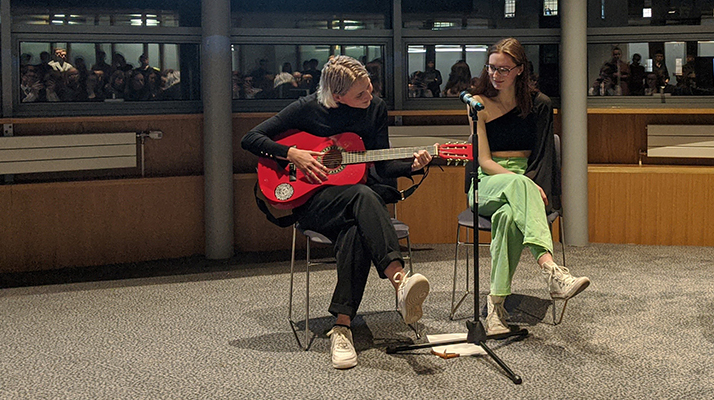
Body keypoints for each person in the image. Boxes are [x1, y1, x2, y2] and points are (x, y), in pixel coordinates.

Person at [240, 55, 433, 370]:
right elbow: (251, 139)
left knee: (356, 226)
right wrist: (293, 154)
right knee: (363, 195)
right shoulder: (307, 108)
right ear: (336, 95)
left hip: (357, 202)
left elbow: (382, 167)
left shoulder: (375, 109)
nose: (369, 97)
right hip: (313, 202)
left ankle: (342, 327)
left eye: (369, 88)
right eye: (360, 95)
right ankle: (399, 281)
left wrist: (411, 165)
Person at [466, 38, 590, 335]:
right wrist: (521, 183)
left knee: (507, 218)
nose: (496, 75)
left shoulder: (540, 105)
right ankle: (551, 270)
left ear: (520, 70)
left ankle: (495, 310)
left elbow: (544, 154)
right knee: (516, 189)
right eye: (492, 68)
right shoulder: (478, 104)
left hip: (527, 179)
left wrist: (528, 182)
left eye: (504, 69)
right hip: (488, 184)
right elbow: (482, 160)